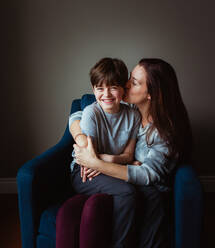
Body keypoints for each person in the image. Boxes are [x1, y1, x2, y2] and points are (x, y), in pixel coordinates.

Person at [71, 58, 193, 248]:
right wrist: (79, 134)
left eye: (134, 82)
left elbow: (149, 174)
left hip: (150, 193)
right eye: (129, 78)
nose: (125, 84)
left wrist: (96, 163)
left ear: (152, 93)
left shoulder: (165, 133)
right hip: (123, 181)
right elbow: (81, 110)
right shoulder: (133, 109)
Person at [69, 57, 141, 248]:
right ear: (93, 90)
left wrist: (110, 159)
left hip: (103, 168)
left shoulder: (133, 115)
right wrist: (121, 162)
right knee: (127, 192)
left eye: (113, 87)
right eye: (100, 88)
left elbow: (129, 156)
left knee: (131, 189)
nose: (106, 94)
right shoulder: (91, 113)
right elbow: (88, 159)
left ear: (123, 89)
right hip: (84, 172)